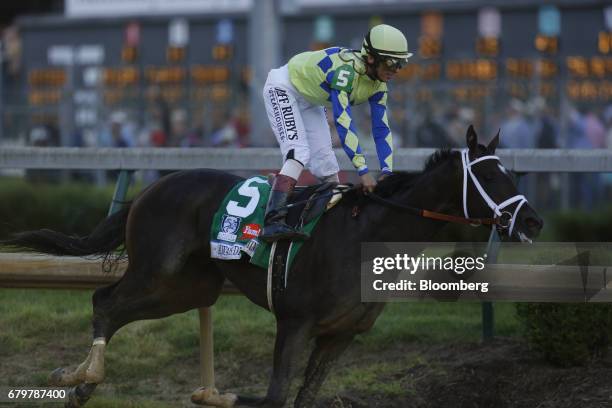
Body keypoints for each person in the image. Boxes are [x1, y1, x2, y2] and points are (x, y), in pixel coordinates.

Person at [260, 24, 412, 242]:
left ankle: (320, 218)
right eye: (391, 62)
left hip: (310, 98)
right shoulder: (345, 73)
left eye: (401, 63)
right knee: (299, 153)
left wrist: (387, 169)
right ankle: (272, 221)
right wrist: (363, 171)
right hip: (283, 87)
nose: (396, 70)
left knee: (327, 164)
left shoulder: (379, 85)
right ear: (370, 58)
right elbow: (344, 123)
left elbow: (381, 128)